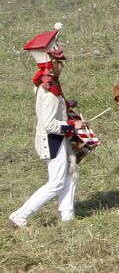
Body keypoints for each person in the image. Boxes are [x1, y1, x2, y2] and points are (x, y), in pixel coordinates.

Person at [10, 24, 78, 228]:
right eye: (58, 62)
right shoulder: (48, 91)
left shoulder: (50, 88)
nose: (62, 66)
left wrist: (66, 106)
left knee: (70, 175)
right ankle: (21, 214)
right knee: (56, 182)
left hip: (57, 138)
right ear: (51, 65)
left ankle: (67, 215)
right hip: (53, 139)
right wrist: (70, 126)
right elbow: (49, 124)